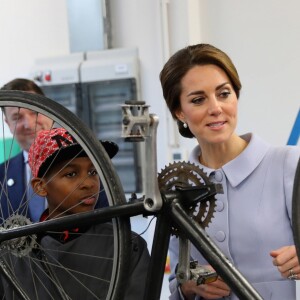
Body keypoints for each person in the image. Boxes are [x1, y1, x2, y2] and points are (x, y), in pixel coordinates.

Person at [159, 43, 300, 300]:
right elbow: (175, 284)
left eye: (224, 93)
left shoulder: (287, 165)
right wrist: (188, 286)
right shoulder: (176, 188)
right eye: (198, 99)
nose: (216, 108)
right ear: (179, 112)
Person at [0, 127, 150, 299]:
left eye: (93, 172)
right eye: (71, 174)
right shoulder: (12, 255)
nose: (88, 184)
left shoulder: (128, 246)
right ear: (40, 187)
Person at [0, 78, 53, 222]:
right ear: (8, 124)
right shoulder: (1, 176)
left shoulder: (87, 165)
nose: (29, 124)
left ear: (49, 110)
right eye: (17, 117)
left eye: (35, 112)